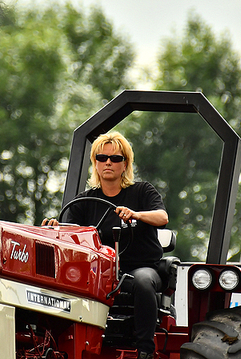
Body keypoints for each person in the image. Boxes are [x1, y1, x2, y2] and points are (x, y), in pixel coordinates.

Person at [43, 132, 168, 359]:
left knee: (142, 281)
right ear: (95, 164)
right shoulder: (86, 200)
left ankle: (145, 351)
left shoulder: (142, 191)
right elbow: (69, 231)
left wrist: (136, 215)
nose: (108, 162)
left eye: (115, 158)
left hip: (139, 268)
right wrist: (55, 227)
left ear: (125, 164)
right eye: (101, 158)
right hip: (99, 273)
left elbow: (162, 217)